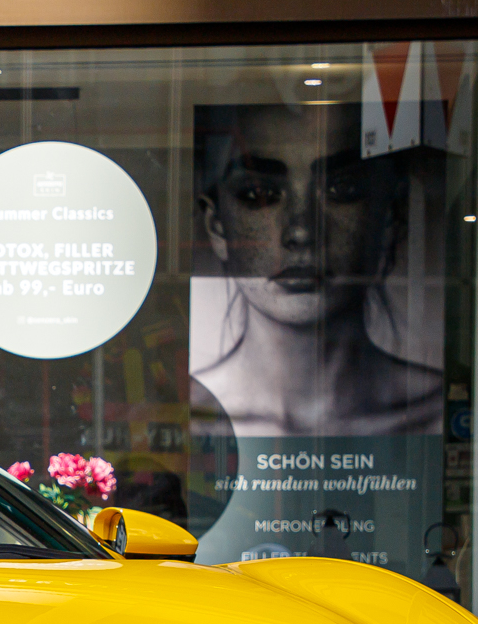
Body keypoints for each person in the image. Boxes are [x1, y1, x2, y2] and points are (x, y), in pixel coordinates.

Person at [189, 99, 442, 438]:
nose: (301, 230)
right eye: (260, 193)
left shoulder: (438, 415)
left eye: (342, 189)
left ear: (390, 218)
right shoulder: (181, 418)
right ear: (217, 225)